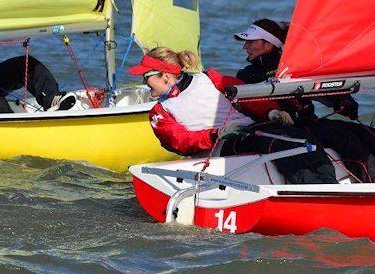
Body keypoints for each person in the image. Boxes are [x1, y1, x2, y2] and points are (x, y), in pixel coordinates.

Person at [233, 19, 375, 183]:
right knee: (342, 136)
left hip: (307, 124)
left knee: (366, 132)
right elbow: (244, 107)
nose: (245, 48)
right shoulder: (246, 75)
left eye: (250, 42)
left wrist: (342, 100)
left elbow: (319, 90)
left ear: (268, 44)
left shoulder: (294, 67)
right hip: (277, 129)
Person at [129, 47, 337, 184]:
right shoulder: (160, 112)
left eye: (146, 77)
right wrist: (215, 134)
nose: (143, 84)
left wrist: (271, 111)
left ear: (165, 76)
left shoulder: (209, 78)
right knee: (276, 144)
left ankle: (329, 185)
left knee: (301, 136)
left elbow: (245, 94)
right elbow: (179, 141)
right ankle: (313, 187)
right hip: (221, 145)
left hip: (250, 131)